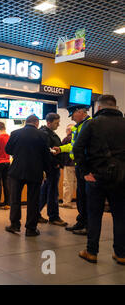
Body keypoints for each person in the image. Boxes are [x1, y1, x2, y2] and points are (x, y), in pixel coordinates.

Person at [72, 95, 125, 265]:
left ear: (99, 108)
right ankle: (121, 253)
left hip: (96, 177)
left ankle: (92, 251)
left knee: (94, 215)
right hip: (121, 178)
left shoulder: (92, 123)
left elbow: (77, 148)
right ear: (115, 107)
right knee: (120, 216)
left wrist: (85, 171)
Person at [4, 115, 51, 237]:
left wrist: (19, 152)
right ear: (36, 123)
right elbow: (46, 155)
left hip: (16, 171)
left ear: (26, 122)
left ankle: (14, 225)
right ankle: (31, 228)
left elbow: (8, 149)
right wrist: (48, 171)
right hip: (35, 172)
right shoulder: (42, 135)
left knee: (15, 199)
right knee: (33, 201)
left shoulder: (15, 133)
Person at [53, 105, 91, 235]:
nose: (72, 118)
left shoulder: (88, 125)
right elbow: (74, 146)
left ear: (80, 112)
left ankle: (87, 225)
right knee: (81, 196)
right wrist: (61, 148)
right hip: (78, 165)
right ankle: (81, 222)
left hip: (85, 166)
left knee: (86, 197)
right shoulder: (79, 127)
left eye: (73, 115)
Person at [38, 113, 68, 226]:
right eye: (56, 123)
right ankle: (54, 216)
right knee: (52, 193)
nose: (58, 125)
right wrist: (55, 163)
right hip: (51, 168)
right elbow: (47, 152)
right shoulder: (46, 135)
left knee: (45, 192)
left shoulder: (48, 133)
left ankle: (36, 214)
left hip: (50, 168)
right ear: (49, 122)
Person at [60, 124, 76, 209]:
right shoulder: (78, 137)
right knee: (77, 184)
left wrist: (61, 164)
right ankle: (81, 202)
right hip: (77, 164)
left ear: (69, 131)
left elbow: (62, 151)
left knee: (68, 184)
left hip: (68, 164)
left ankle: (67, 202)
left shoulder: (66, 139)